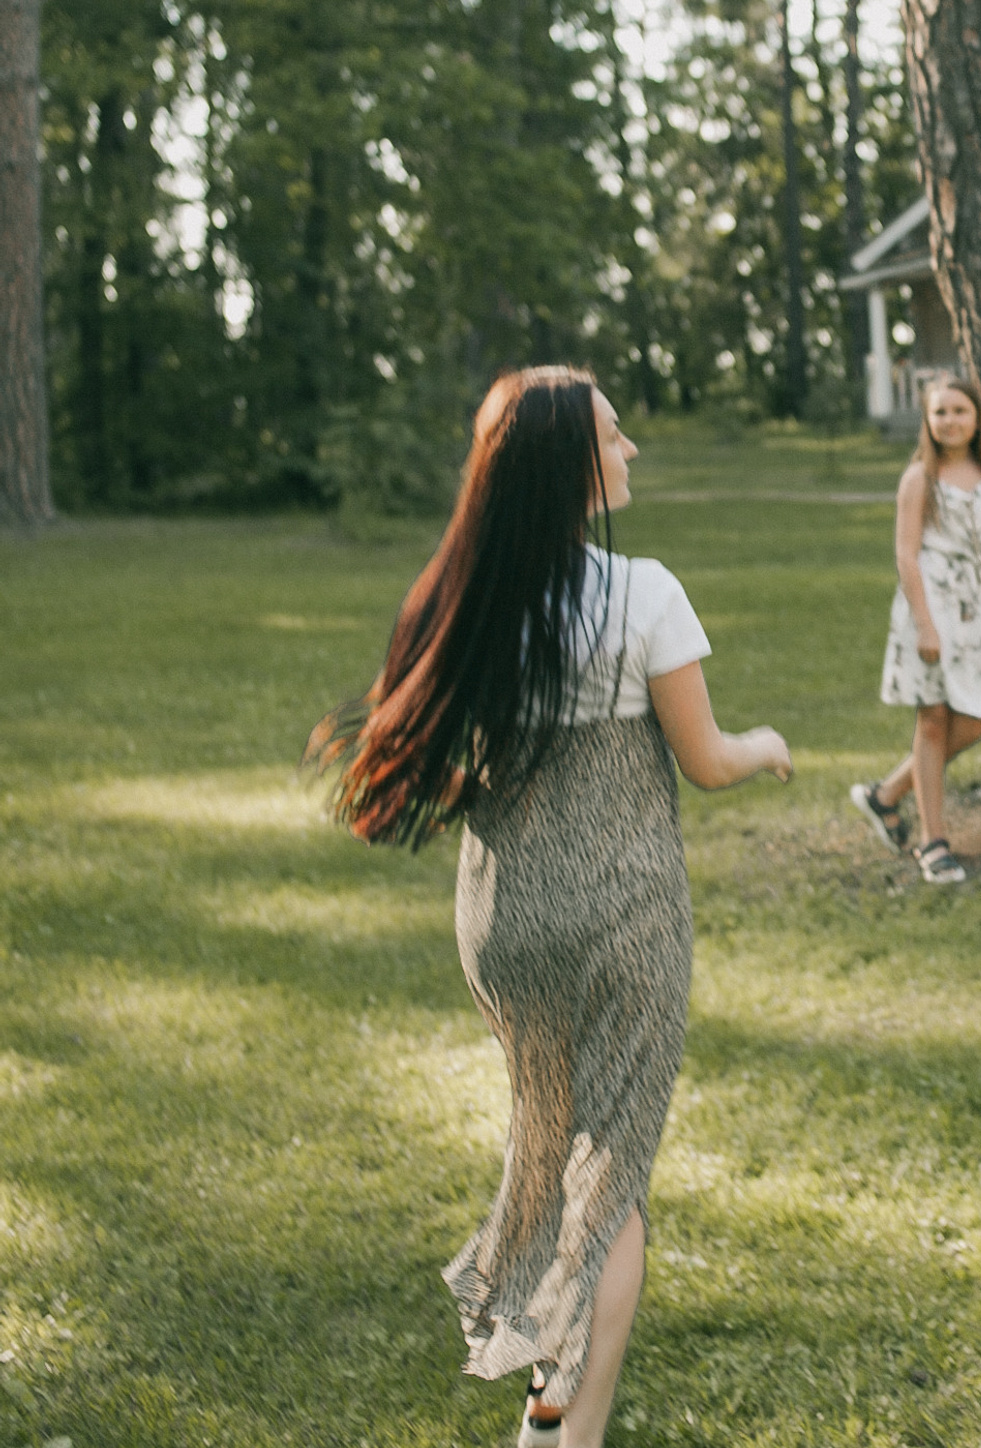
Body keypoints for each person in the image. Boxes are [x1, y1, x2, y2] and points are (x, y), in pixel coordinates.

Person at [311, 367, 790, 1448]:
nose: (631, 455)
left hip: (504, 927)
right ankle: (564, 1434)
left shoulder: (461, 601)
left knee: (550, 1141)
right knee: (610, 1178)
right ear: (577, 468)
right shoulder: (645, 594)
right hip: (621, 920)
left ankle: (544, 1394)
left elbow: (441, 759)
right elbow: (707, 763)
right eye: (617, 438)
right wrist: (769, 748)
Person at [850, 372, 981, 885]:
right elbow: (906, 555)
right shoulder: (919, 479)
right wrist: (926, 626)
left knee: (972, 724)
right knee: (933, 720)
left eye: (960, 411)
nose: (950, 421)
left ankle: (884, 796)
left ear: (977, 418)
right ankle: (934, 844)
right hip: (931, 606)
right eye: (940, 413)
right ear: (927, 421)